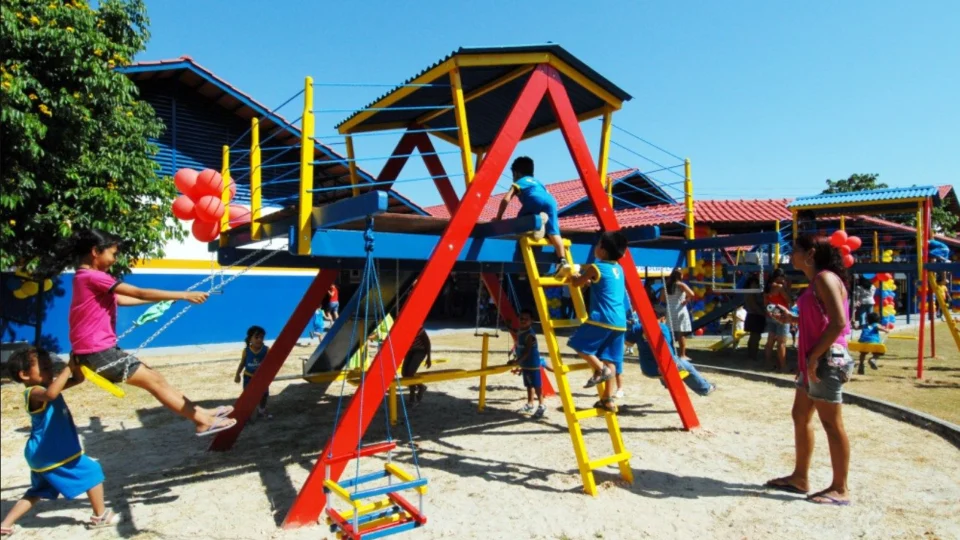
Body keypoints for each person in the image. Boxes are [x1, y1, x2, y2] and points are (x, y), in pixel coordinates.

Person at [66, 229, 235, 437]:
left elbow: (123, 300)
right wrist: (184, 295)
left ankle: (200, 413)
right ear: (95, 252)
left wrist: (164, 300)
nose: (114, 259)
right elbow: (138, 292)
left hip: (96, 350)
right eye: (113, 253)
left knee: (156, 378)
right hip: (98, 351)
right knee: (155, 382)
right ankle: (202, 421)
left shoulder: (84, 277)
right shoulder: (93, 277)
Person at [765, 233, 854, 506]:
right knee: (800, 414)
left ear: (811, 253)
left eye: (795, 250)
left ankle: (840, 488)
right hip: (813, 358)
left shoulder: (825, 278)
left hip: (825, 359)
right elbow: (821, 317)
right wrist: (792, 317)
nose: (791, 256)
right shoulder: (816, 281)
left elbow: (838, 323)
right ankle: (800, 477)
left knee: (831, 422)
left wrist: (814, 357)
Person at [1, 348, 121, 535]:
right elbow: (51, 395)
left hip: (42, 455)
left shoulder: (48, 387)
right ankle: (100, 515)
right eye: (45, 369)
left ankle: (5, 524)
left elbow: (78, 380)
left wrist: (78, 365)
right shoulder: (34, 392)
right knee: (93, 470)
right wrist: (68, 368)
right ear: (24, 375)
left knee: (37, 491)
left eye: (50, 367)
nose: (51, 372)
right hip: (51, 453)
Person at [568, 231, 629, 412]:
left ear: (602, 250)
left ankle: (601, 370)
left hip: (602, 318)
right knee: (610, 358)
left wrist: (572, 274)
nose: (595, 248)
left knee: (578, 344)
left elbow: (577, 283)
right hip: (620, 321)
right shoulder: (619, 269)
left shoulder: (596, 267)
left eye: (598, 244)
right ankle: (607, 399)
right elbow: (603, 286)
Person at [495, 156, 571, 276]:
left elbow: (506, 199)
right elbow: (544, 195)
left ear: (516, 173)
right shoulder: (538, 182)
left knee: (520, 224)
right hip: (551, 201)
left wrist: (498, 218)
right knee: (554, 233)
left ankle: (538, 225)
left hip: (533, 200)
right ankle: (562, 260)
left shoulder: (519, 181)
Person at [635, 307, 716, 396]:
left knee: (661, 359)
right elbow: (666, 349)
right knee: (687, 367)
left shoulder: (639, 328)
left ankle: (667, 383)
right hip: (661, 369)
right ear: (663, 318)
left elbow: (628, 343)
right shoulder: (662, 327)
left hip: (646, 369)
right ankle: (705, 388)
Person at [511, 309, 548, 418]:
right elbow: (515, 331)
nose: (523, 321)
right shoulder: (521, 331)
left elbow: (527, 352)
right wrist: (509, 326)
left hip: (532, 364)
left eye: (526, 319)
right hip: (525, 364)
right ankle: (530, 403)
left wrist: (516, 362)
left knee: (537, 386)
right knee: (528, 385)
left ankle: (542, 405)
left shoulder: (530, 335)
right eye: (521, 318)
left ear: (531, 321)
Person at [234, 326, 272, 421]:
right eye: (256, 337)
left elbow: (271, 363)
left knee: (264, 395)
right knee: (248, 396)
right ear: (250, 338)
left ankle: (261, 410)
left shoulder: (266, 350)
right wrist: (237, 374)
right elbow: (242, 363)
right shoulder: (246, 351)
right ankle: (247, 414)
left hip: (262, 378)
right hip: (248, 377)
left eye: (262, 337)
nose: (259, 340)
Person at [659, 269, 694, 360]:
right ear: (680, 276)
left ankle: (669, 353)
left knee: (669, 332)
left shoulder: (666, 286)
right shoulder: (681, 285)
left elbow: (662, 299)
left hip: (670, 310)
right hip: (680, 309)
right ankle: (682, 355)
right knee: (681, 333)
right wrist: (686, 300)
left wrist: (671, 301)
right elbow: (692, 294)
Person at [764, 268, 792, 372]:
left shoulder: (767, 287)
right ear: (779, 277)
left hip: (771, 314)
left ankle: (767, 364)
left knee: (770, 341)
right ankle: (783, 366)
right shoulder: (779, 287)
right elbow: (788, 299)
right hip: (782, 315)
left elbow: (765, 302)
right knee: (782, 343)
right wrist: (787, 288)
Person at [401, 328, 432, 406]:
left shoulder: (418, 327)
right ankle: (421, 387)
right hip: (410, 350)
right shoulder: (401, 328)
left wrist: (428, 358)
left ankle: (412, 398)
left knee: (410, 372)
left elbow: (427, 342)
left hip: (420, 350)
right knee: (404, 373)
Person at [743, 275, 766, 361]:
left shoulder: (749, 292)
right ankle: (752, 356)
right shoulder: (750, 293)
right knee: (755, 337)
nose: (756, 286)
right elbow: (753, 305)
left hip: (753, 315)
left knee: (754, 337)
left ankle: (751, 355)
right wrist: (763, 313)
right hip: (755, 315)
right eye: (755, 284)